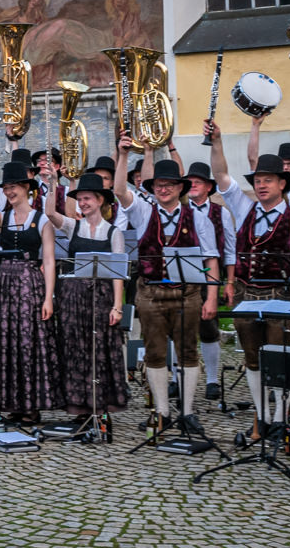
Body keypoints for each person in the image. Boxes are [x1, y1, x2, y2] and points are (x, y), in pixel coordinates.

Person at [206, 120, 290, 439]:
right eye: (258, 180)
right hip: (247, 295)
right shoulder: (245, 208)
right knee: (252, 359)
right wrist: (216, 143)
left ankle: (281, 419)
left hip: (281, 296)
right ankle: (262, 415)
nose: (262, 185)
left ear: (282, 184)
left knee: (280, 358)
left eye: (268, 180)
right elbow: (221, 177)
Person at [116, 138, 221, 433]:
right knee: (154, 352)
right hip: (151, 293)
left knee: (188, 351)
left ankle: (187, 411)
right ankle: (161, 411)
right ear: (153, 188)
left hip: (187, 293)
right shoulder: (143, 211)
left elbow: (211, 258)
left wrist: (211, 297)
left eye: (169, 185)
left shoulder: (198, 218)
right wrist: (123, 155)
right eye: (159, 185)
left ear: (180, 188)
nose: (163, 189)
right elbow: (120, 191)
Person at [0, 151, 57, 424]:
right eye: (7, 188)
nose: (10, 192)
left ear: (26, 189)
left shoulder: (41, 220)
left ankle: (30, 405)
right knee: (5, 343)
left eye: (14, 187)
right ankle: (11, 403)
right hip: (5, 286)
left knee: (28, 344)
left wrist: (48, 298)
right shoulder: (4, 218)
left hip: (30, 284)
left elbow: (49, 261)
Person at [44, 173, 127, 421]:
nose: (82, 203)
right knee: (74, 349)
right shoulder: (73, 226)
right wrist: (52, 183)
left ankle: (99, 405)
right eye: (80, 199)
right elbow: (50, 213)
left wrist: (117, 306)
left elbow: (118, 273)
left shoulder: (114, 232)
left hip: (101, 298)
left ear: (100, 200)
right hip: (74, 297)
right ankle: (78, 405)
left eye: (87, 198)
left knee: (99, 350)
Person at [184, 161, 233, 402]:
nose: (193, 185)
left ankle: (212, 379)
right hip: (182, 276)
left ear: (208, 187)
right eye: (190, 182)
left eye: (198, 182)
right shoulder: (179, 209)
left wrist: (229, 281)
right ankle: (177, 379)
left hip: (207, 277)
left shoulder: (220, 213)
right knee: (178, 328)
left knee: (208, 327)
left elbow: (230, 249)